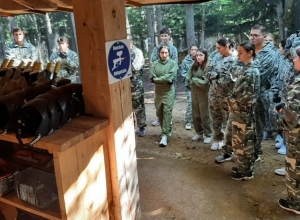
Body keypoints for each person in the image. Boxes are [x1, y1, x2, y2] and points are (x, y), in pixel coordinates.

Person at [227, 41, 260, 180]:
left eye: (241, 52)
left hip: (243, 111)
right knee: (242, 140)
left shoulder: (251, 71)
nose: (238, 55)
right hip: (240, 111)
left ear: (250, 53)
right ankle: (244, 166)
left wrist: (230, 102)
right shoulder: (246, 69)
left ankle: (245, 171)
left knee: (242, 141)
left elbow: (242, 95)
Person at [275, 47, 300, 214]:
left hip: (296, 135)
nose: (293, 60)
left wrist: (280, 122)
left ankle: (295, 202)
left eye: (296, 58)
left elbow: (291, 118)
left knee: (294, 166)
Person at [250, 24, 278, 160]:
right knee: (248, 124)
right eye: (251, 35)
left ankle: (256, 151)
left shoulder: (270, 54)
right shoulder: (250, 50)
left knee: (258, 124)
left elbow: (260, 75)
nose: (252, 38)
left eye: (256, 35)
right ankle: (247, 150)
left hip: (261, 93)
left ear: (264, 37)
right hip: (247, 94)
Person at [206, 37, 239, 151]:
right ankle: (217, 138)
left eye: (219, 47)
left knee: (229, 120)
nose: (217, 50)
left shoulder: (236, 59)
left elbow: (231, 79)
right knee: (215, 117)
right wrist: (215, 77)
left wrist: (215, 78)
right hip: (214, 93)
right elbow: (208, 72)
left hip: (227, 95)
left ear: (227, 46)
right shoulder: (216, 56)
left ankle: (230, 144)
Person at [150, 27, 178, 127]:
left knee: (168, 101)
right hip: (158, 79)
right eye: (162, 36)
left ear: (169, 36)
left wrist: (171, 77)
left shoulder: (173, 49)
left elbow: (175, 64)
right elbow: (152, 62)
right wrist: (156, 76)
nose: (164, 38)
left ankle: (168, 119)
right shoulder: (156, 49)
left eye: (165, 36)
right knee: (158, 101)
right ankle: (159, 118)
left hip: (169, 79)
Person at [151, 46, 177, 147]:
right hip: (158, 92)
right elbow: (153, 75)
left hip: (169, 92)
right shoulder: (155, 64)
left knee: (167, 111)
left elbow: (170, 77)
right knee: (159, 112)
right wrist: (160, 79)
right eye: (162, 52)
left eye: (166, 53)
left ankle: (164, 135)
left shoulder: (173, 64)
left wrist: (157, 80)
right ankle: (165, 129)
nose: (164, 55)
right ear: (159, 53)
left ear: (169, 53)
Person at [186, 48, 212, 144]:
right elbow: (188, 77)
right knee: (196, 114)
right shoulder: (193, 66)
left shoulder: (208, 67)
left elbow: (206, 83)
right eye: (197, 55)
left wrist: (194, 80)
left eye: (200, 55)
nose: (198, 57)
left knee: (205, 114)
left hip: (204, 94)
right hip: (194, 92)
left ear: (205, 56)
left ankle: (208, 134)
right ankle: (199, 132)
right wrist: (197, 80)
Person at [128, 35, 147, 137]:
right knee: (127, 108)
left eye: (128, 41)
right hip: (125, 86)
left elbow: (135, 68)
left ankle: (142, 126)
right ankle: (131, 127)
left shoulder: (137, 52)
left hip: (136, 85)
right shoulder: (123, 52)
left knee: (138, 107)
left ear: (131, 42)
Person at [180, 44, 198, 130]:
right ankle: (188, 121)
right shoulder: (185, 61)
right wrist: (190, 80)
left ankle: (198, 121)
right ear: (190, 51)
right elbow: (183, 73)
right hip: (189, 86)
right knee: (191, 102)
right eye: (192, 50)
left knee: (199, 104)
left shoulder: (201, 60)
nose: (194, 51)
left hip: (200, 86)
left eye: (195, 50)